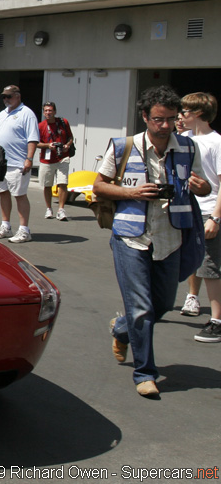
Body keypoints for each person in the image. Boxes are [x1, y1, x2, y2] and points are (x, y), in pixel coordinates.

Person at [96, 85, 210, 397]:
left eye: (171, 119)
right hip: (130, 237)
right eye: (158, 119)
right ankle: (145, 373)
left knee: (160, 305)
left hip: (171, 236)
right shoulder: (123, 147)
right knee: (142, 307)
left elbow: (201, 188)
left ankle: (122, 330)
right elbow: (99, 185)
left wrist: (200, 187)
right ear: (145, 116)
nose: (165, 126)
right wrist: (131, 192)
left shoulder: (187, 148)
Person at [176, 92, 221, 343]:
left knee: (211, 267)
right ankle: (191, 297)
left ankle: (217, 320)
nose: (181, 116)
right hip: (186, 208)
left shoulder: (216, 143)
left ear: (199, 114)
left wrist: (215, 217)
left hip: (208, 210)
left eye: (186, 112)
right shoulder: (184, 139)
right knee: (191, 260)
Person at [0, 85, 39, 244]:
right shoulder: (2, 114)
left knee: (19, 195)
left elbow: (32, 138)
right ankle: (6, 226)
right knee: (3, 193)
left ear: (17, 96)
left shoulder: (27, 114)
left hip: (17, 162)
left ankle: (24, 230)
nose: (5, 99)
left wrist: (29, 158)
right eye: (4, 97)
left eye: (9, 96)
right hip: (0, 163)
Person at [36, 102, 74, 222]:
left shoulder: (63, 122)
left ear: (55, 112)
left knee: (63, 183)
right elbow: (36, 143)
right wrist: (48, 145)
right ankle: (49, 208)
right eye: (46, 111)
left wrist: (67, 146)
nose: (48, 113)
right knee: (47, 184)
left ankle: (61, 210)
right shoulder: (40, 126)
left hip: (63, 157)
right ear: (43, 112)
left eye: (50, 110)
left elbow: (70, 138)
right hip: (47, 159)